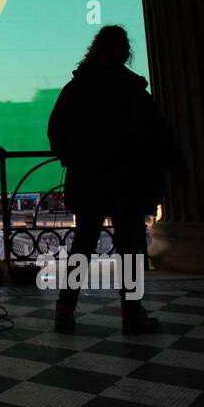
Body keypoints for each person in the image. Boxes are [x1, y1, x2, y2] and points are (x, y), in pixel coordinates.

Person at [47, 25, 186, 335]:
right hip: (129, 180)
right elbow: (160, 134)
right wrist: (178, 168)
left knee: (82, 246)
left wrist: (75, 159)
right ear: (125, 52)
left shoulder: (79, 87)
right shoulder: (133, 91)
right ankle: (131, 312)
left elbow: (56, 129)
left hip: (90, 179)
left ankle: (66, 308)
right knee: (131, 249)